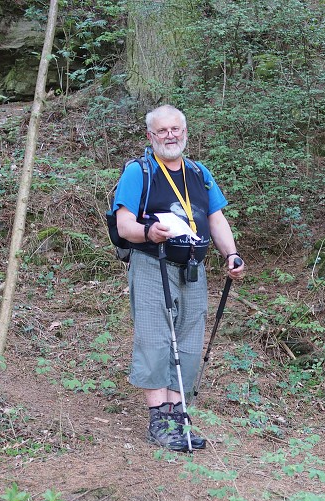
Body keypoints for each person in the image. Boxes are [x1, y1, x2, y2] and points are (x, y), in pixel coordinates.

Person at [114, 105, 245, 452]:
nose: (170, 135)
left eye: (176, 129)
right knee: (156, 338)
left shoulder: (199, 173)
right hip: (151, 263)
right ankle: (159, 417)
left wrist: (230, 254)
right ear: (150, 136)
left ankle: (177, 415)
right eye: (162, 131)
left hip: (193, 268)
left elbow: (215, 219)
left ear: (185, 133)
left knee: (188, 339)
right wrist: (148, 232)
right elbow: (123, 224)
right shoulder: (139, 172)